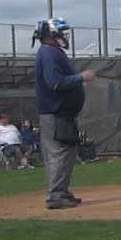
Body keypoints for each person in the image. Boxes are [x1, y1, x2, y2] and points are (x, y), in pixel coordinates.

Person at [33, 17, 96, 210]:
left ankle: (61, 191)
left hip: (61, 113)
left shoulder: (52, 52)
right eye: (60, 32)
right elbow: (55, 82)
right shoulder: (49, 54)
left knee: (65, 153)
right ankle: (56, 196)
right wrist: (80, 78)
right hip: (56, 113)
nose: (64, 36)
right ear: (51, 35)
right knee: (60, 154)